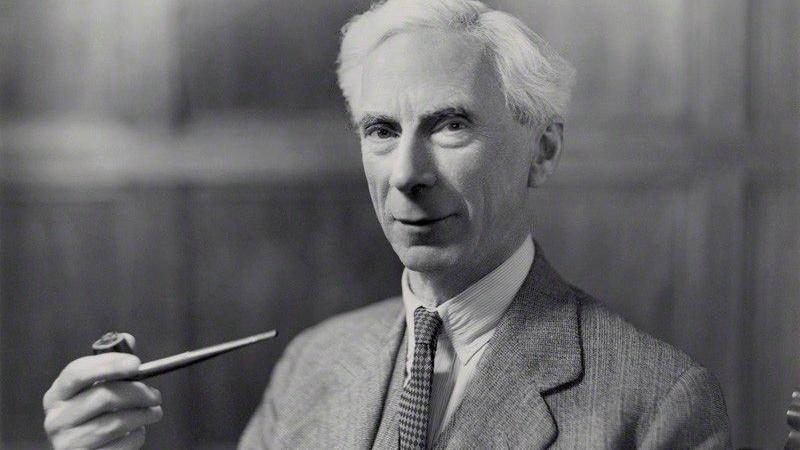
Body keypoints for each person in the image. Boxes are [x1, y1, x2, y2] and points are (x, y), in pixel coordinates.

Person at [42, 0, 732, 448]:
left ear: (542, 149)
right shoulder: (311, 364)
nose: (406, 173)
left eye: (451, 125)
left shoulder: (658, 402)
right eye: (380, 129)